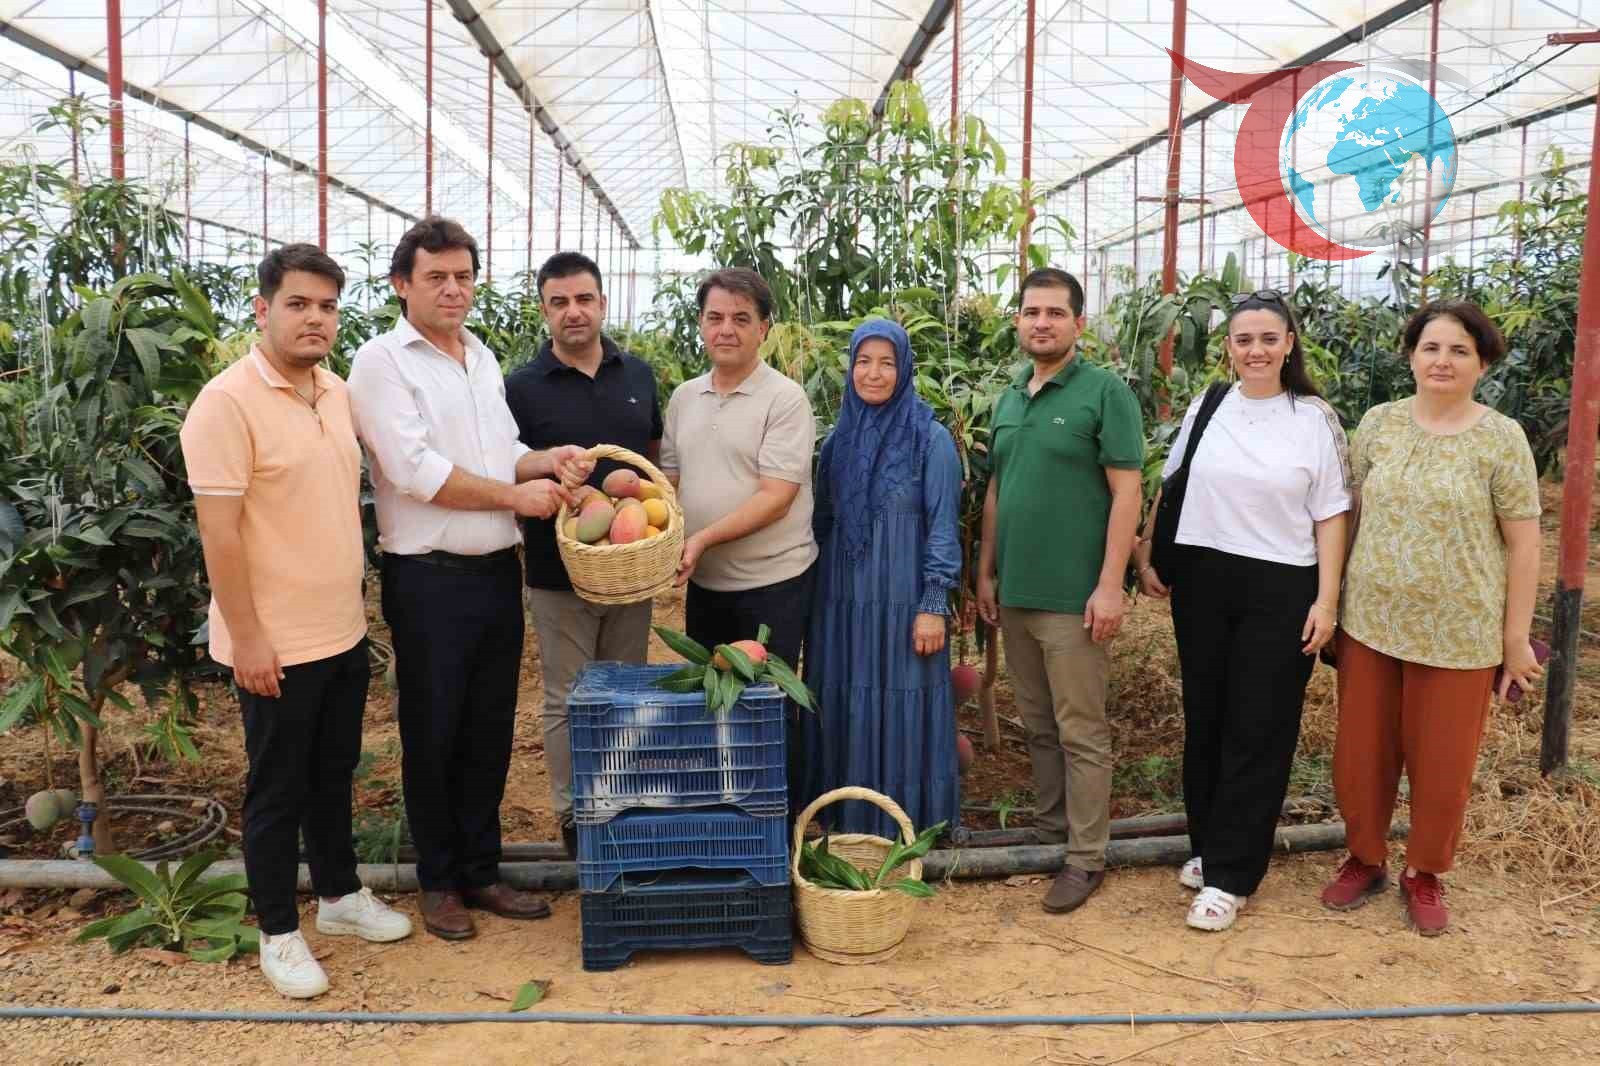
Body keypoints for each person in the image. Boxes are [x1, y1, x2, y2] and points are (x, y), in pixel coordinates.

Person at [347, 217, 589, 941]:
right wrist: (515, 496)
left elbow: (500, 447)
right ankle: (440, 880)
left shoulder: (478, 356)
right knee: (434, 729)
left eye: (463, 277)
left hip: (493, 573)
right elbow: (414, 470)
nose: (453, 290)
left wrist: (545, 460)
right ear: (402, 284)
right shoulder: (382, 363)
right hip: (429, 579)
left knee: (487, 728)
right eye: (437, 278)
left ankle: (482, 870)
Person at [181, 244, 412, 999]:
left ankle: (339, 895)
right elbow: (219, 534)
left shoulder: (335, 392)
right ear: (263, 309)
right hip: (274, 640)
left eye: (327, 306)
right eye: (299, 304)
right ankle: (277, 931)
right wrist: (247, 636)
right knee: (277, 788)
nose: (316, 318)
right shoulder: (226, 403)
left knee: (333, 772)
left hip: (340, 628)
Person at [1320, 300, 1542, 935]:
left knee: (1443, 763)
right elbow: (1350, 513)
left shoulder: (1501, 438)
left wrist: (1515, 638)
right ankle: (1365, 858)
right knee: (1361, 754)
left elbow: (1525, 543)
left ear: (1482, 364)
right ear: (1412, 357)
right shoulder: (1379, 424)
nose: (1443, 361)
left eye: (1459, 351)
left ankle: (1425, 870)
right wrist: (1331, 599)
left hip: (1459, 630)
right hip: (1372, 622)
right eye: (1431, 348)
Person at [1132, 291, 1351, 932]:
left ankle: (1233, 875)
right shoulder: (1209, 404)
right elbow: (1173, 484)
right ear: (1229, 347)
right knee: (1207, 719)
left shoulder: (1313, 418)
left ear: (1289, 345)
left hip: (1280, 584)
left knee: (1260, 725)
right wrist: (1149, 552)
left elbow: (1332, 514)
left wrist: (1327, 600)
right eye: (1243, 339)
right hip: (1203, 579)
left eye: (1268, 339)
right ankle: (1209, 846)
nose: (1255, 350)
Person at [976, 267, 1143, 915]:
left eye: (1054, 312)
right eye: (1031, 312)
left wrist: (1110, 585)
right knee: (1039, 724)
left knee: (1081, 730)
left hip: (1075, 598)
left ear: (1079, 323)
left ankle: (1086, 856)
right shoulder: (1009, 398)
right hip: (1018, 592)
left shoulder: (1105, 393)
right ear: (1018, 321)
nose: (1041, 322)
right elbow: (998, 490)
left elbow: (1127, 492)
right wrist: (986, 571)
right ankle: (1051, 830)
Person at [504, 252, 662, 858]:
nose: (574, 312)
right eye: (559, 302)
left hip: (630, 569)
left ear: (602, 303)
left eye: (584, 299)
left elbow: (651, 460)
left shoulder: (638, 375)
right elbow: (508, 465)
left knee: (626, 690)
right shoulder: (520, 388)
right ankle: (575, 816)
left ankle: (621, 800)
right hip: (556, 569)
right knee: (568, 697)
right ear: (544, 311)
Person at [659, 267, 820, 807]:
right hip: (707, 583)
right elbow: (669, 481)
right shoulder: (684, 397)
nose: (726, 329)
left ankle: (777, 822)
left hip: (772, 583)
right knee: (712, 701)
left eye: (741, 319)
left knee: (767, 706)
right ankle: (721, 815)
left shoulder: (784, 399)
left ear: (764, 328)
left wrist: (702, 539)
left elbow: (778, 496)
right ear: (701, 324)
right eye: (715, 317)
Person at [805, 318, 962, 838]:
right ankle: (846, 824)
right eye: (863, 362)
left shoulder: (930, 440)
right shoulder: (837, 443)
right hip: (842, 602)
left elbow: (943, 527)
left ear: (905, 368)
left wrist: (933, 603)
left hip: (903, 600)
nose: (873, 374)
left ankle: (907, 828)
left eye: (887, 363)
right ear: (850, 368)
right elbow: (822, 526)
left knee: (901, 700)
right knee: (847, 699)